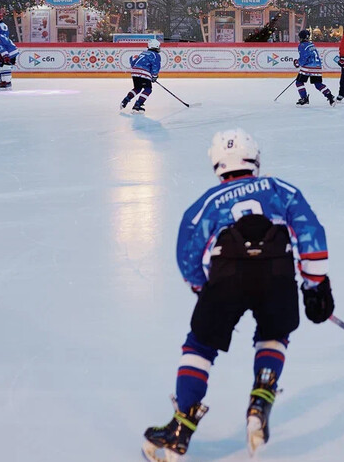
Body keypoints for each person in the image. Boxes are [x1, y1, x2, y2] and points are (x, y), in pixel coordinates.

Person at [142, 129, 334, 461]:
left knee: (199, 345)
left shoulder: (206, 203)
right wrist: (314, 284)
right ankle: (261, 400)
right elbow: (310, 232)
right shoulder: (279, 189)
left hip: (227, 273)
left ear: (217, 165)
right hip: (277, 272)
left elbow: (187, 254)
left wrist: (206, 289)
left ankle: (181, 427)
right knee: (274, 334)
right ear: (255, 158)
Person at [293, 29, 336, 107]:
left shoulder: (302, 45)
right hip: (317, 66)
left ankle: (304, 98)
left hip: (308, 67)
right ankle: (329, 96)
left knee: (299, 82)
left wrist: (297, 63)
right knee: (318, 84)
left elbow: (303, 58)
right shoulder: (311, 45)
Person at [121, 39, 162, 114]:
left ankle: (126, 100)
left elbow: (133, 63)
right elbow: (156, 66)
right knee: (148, 89)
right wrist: (154, 76)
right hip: (144, 72)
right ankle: (137, 105)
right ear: (156, 46)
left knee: (137, 88)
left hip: (134, 72)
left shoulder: (143, 53)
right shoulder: (155, 55)